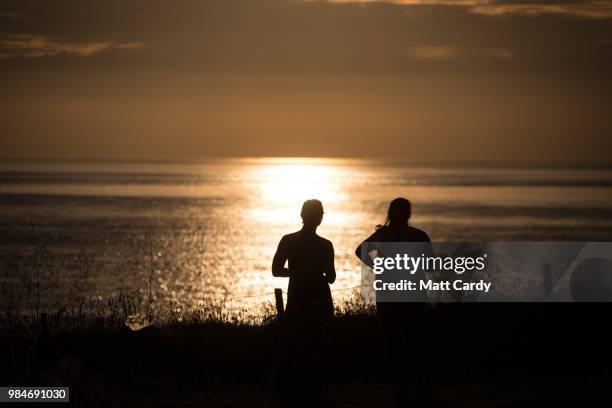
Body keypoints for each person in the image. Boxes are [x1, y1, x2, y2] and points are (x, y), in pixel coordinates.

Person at [355, 197, 431, 404]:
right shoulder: (417, 235)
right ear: (408, 214)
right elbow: (429, 264)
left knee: (395, 339)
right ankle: (410, 385)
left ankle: (400, 386)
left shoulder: (383, 235)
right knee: (411, 339)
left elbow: (360, 251)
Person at [272, 199, 336, 322]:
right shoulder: (326, 245)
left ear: (302, 215)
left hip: (298, 296)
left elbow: (276, 270)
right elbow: (331, 277)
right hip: (319, 299)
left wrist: (298, 273)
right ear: (320, 218)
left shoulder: (288, 240)